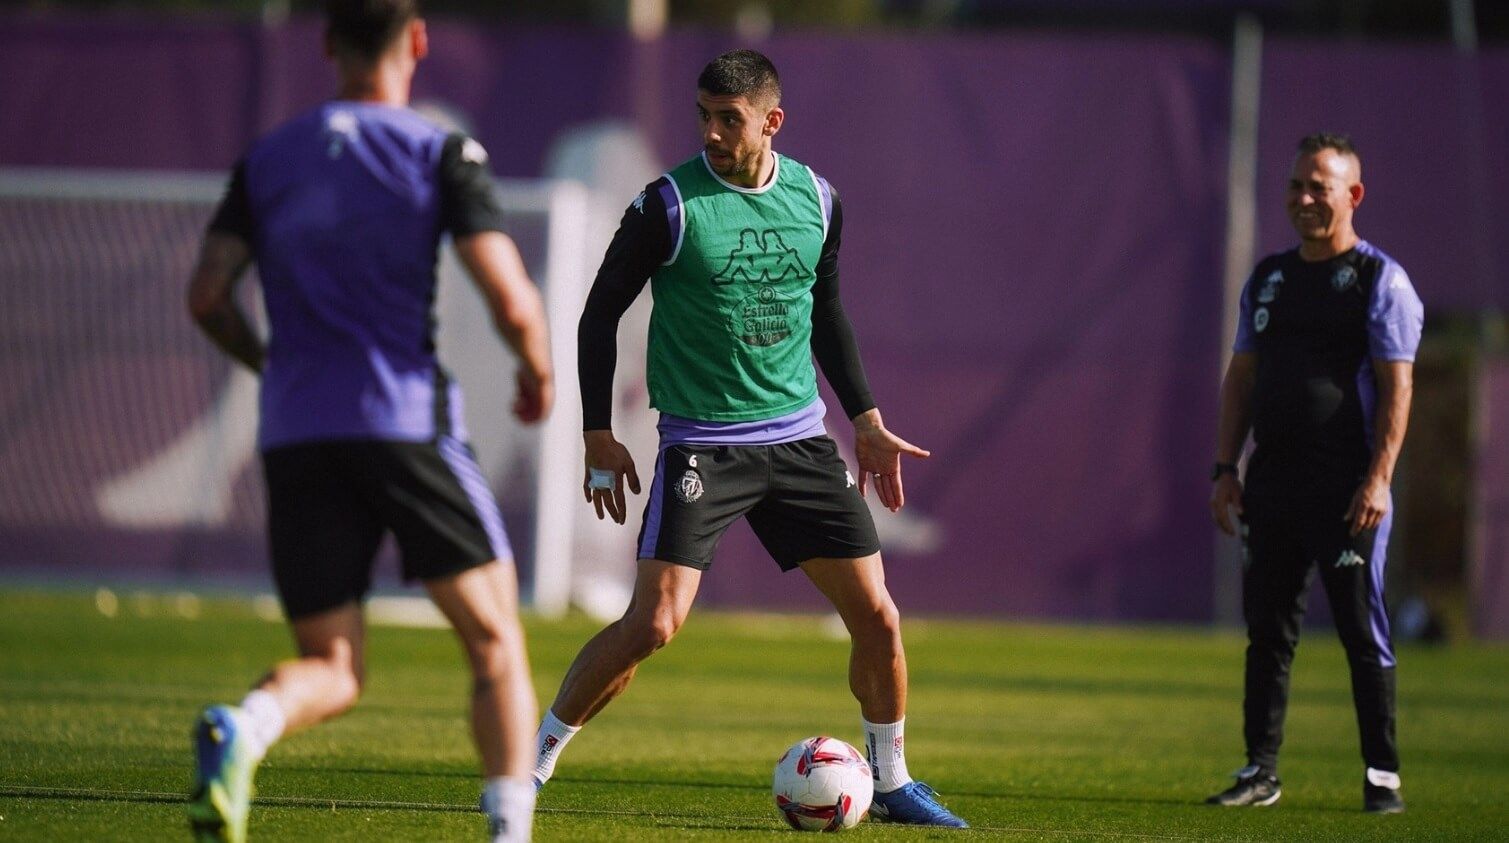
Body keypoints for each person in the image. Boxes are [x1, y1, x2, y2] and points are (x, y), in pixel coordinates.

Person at [529, 49, 967, 829]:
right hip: (704, 444)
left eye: (728, 119)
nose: (711, 132)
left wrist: (864, 420)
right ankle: (531, 761)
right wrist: (597, 432)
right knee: (652, 625)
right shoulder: (668, 204)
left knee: (878, 617)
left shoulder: (818, 200)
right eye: (703, 115)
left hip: (800, 443)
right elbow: (599, 314)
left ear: (772, 121)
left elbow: (826, 314)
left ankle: (894, 780)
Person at [184, 2, 551, 841]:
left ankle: (246, 724)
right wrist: (535, 369)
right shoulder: (437, 150)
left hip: (295, 432)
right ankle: (508, 830)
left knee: (334, 666)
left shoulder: (270, 156)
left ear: (327, 43)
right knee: (493, 638)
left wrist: (272, 368)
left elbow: (206, 296)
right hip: (403, 422)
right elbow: (508, 295)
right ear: (415, 41)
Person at [1207, 133, 1422, 814]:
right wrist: (1224, 467)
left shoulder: (1377, 280)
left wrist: (1378, 477)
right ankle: (1258, 769)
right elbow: (1241, 378)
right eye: (1295, 185)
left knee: (1361, 629)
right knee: (1267, 630)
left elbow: (1397, 390)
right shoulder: (1268, 278)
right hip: (1271, 482)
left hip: (1346, 489)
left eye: (1317, 187)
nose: (1301, 199)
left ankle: (1380, 774)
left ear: (1351, 195)